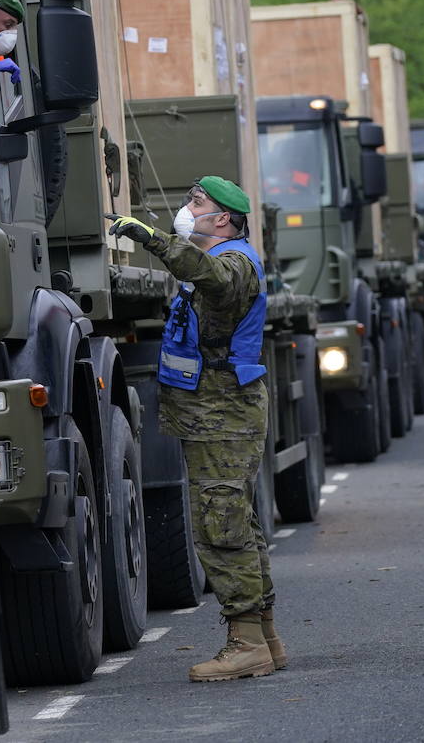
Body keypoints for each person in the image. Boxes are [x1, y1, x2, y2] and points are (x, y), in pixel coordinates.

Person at [106, 177, 282, 683]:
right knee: (235, 520)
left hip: (224, 411)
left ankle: (246, 644)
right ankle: (265, 638)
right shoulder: (228, 257)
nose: (187, 209)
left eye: (196, 203)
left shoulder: (236, 263)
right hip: (215, 409)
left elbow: (213, 279)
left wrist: (156, 240)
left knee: (220, 523)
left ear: (223, 217)